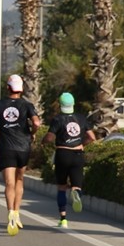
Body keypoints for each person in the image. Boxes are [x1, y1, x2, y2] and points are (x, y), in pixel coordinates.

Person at [0, 74, 40, 236]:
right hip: (23, 148)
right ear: (21, 89)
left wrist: (2, 124)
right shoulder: (27, 105)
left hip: (6, 148)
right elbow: (37, 122)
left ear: (8, 87)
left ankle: (10, 212)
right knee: (19, 180)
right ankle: (17, 213)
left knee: (9, 183)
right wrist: (32, 132)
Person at [43, 92, 96, 228]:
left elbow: (50, 137)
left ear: (61, 105)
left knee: (61, 187)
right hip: (78, 154)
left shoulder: (58, 119)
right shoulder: (81, 118)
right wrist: (82, 144)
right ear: (73, 104)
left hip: (63, 154)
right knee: (77, 185)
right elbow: (92, 137)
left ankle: (63, 219)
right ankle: (76, 193)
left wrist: (44, 141)